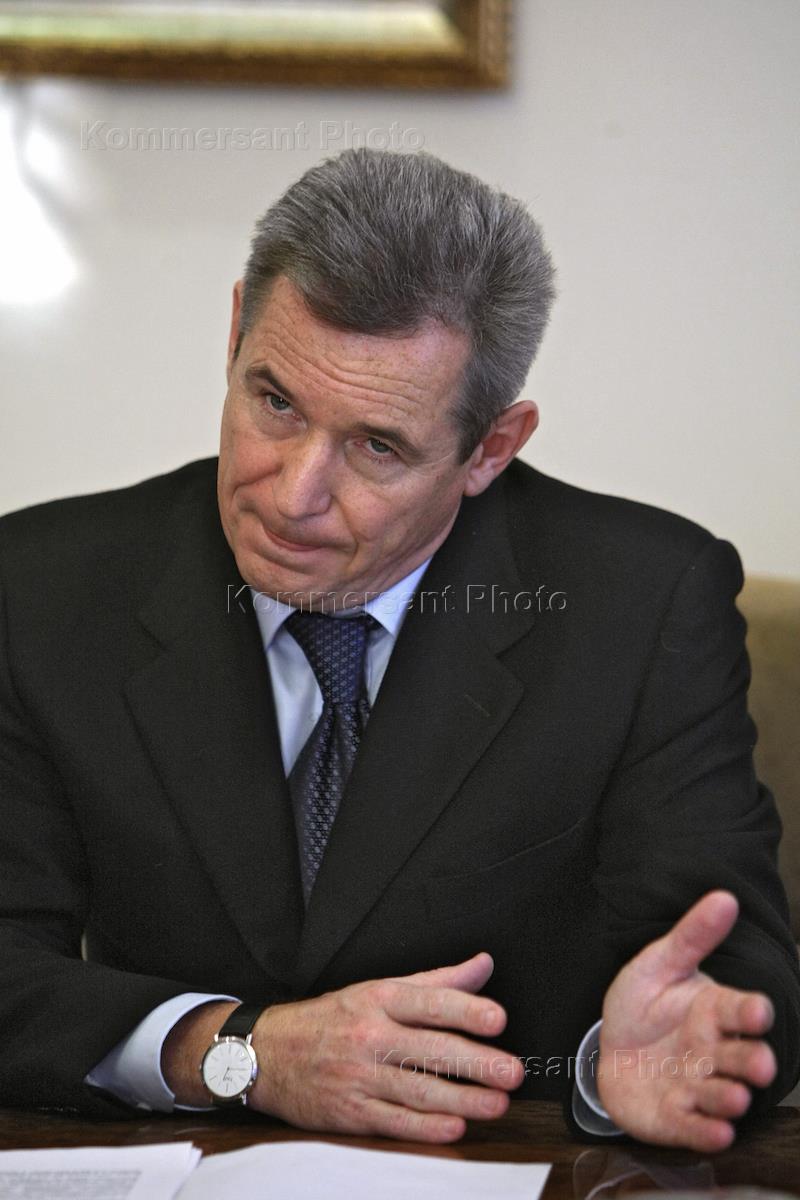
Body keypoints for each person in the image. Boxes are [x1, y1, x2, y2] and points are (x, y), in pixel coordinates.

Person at [0, 149, 797, 1153]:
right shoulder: (41, 588)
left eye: (376, 446)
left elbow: (732, 970)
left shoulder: (643, 603)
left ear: (491, 448)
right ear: (236, 329)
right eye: (275, 402)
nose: (293, 494)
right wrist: (232, 1049)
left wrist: (636, 1064)